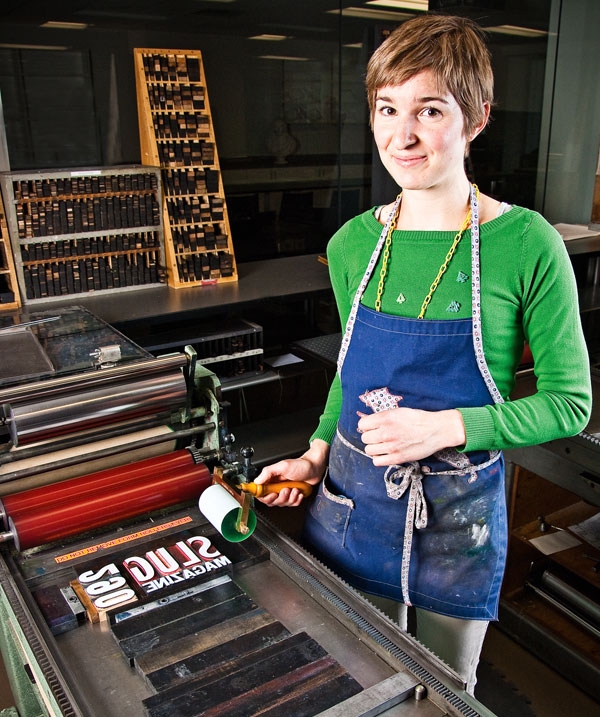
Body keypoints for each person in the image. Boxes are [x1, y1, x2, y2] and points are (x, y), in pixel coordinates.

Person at [254, 13, 592, 694]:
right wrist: (317, 452)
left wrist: (445, 427)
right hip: (352, 508)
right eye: (388, 108)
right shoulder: (353, 244)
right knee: (361, 679)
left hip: (457, 522)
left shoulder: (526, 244)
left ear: (476, 118)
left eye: (429, 109)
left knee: (443, 692)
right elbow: (351, 373)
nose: (401, 134)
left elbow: (570, 402)